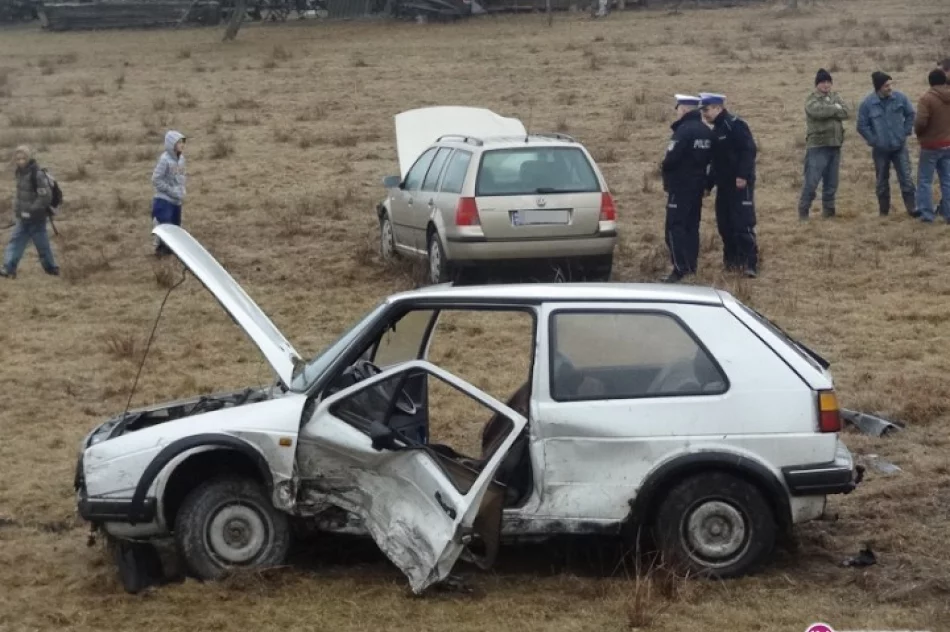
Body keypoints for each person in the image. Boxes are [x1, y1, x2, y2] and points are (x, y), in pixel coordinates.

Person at [700, 92, 759, 278]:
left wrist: (742, 175)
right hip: (723, 186)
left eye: (707, 109)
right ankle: (732, 261)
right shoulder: (715, 130)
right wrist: (708, 185)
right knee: (725, 225)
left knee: (742, 223)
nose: (705, 114)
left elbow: (748, 150)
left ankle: (750, 262)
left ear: (718, 107)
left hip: (740, 185)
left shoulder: (734, 125)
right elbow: (714, 162)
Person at [660, 93, 713, 283]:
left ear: (683, 109)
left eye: (678, 108)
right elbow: (710, 162)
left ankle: (679, 268)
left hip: (680, 187)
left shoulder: (683, 132)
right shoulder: (706, 131)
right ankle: (691, 266)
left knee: (674, 228)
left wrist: (665, 172)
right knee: (692, 227)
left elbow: (670, 160)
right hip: (698, 187)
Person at [856, 71, 917, 217]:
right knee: (882, 181)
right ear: (878, 88)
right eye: (886, 85)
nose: (890, 88)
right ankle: (884, 211)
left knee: (906, 178)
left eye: (890, 84)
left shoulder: (900, 98)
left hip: (899, 146)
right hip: (880, 150)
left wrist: (905, 132)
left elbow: (911, 114)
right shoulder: (867, 104)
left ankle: (912, 209)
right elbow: (862, 125)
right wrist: (873, 140)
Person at [798, 68, 850, 220]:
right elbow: (817, 112)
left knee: (832, 182)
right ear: (817, 84)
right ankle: (803, 211)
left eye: (828, 82)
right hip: (818, 146)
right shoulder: (811, 99)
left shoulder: (836, 96)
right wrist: (835, 108)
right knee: (812, 181)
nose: (826, 85)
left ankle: (829, 212)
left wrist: (833, 109)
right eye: (823, 82)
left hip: (835, 145)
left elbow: (846, 112)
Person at [0, 145, 59, 279]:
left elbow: (45, 196)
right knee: (15, 241)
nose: (20, 161)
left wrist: (31, 210)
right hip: (23, 218)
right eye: (18, 158)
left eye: (23, 158)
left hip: (37, 218)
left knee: (42, 246)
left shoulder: (36, 174)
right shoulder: (20, 173)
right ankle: (9, 269)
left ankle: (52, 269)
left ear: (29, 158)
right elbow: (21, 195)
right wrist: (18, 210)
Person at [913, 69, 950, 223]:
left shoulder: (926, 99)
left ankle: (927, 214)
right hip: (948, 144)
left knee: (925, 181)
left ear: (930, 81)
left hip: (930, 145)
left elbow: (921, 122)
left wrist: (919, 134)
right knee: (947, 180)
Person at [151, 130, 186, 256]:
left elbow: (181, 176)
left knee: (176, 228)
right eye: (179, 142)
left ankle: (171, 251)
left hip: (176, 200)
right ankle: (160, 251)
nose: (182, 145)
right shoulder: (164, 160)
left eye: (183, 142)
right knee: (165, 226)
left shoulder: (181, 159)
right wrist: (170, 191)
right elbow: (156, 179)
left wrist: (181, 191)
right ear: (171, 144)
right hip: (164, 200)